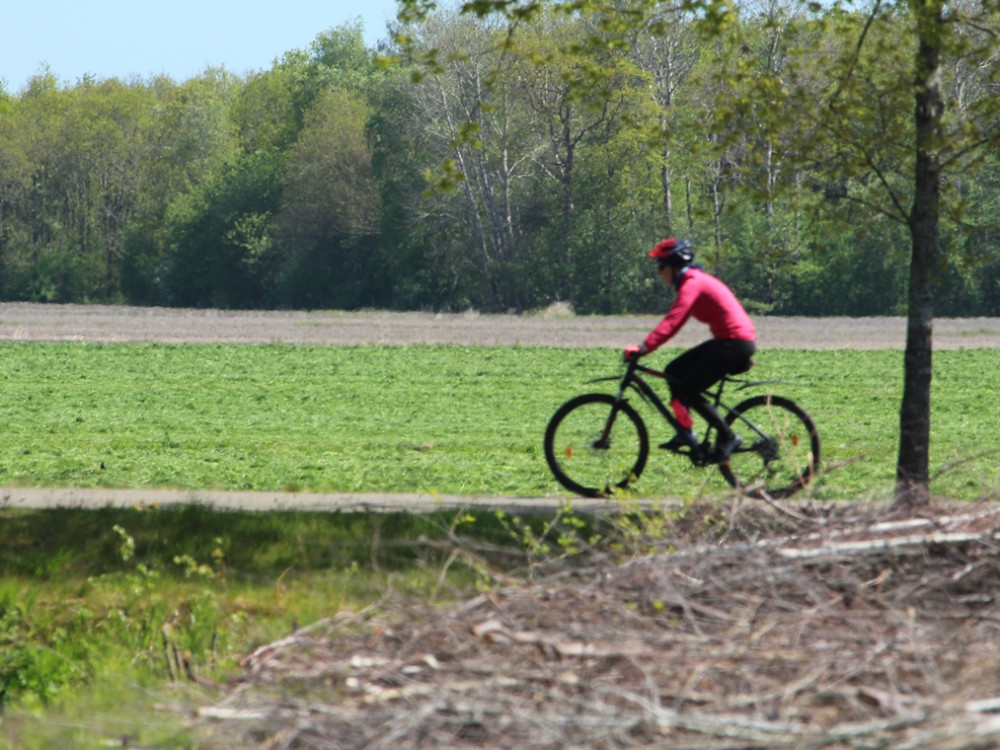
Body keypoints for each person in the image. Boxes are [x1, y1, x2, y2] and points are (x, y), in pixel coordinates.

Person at [625, 238, 756, 462]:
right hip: (729, 341)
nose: (659, 273)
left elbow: (673, 321)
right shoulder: (692, 281)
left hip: (734, 343)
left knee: (689, 389)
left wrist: (643, 347)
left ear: (675, 266)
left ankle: (728, 435)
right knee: (674, 370)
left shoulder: (692, 283)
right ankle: (685, 432)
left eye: (661, 267)